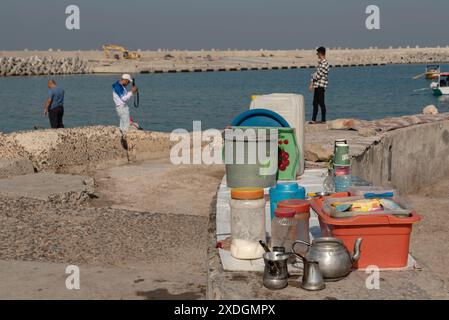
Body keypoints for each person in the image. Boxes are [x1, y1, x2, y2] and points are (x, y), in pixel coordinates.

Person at [309, 47, 329, 124]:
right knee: (315, 103)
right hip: (317, 85)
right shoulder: (320, 63)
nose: (317, 54)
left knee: (321, 103)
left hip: (321, 85)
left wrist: (311, 83)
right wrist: (312, 83)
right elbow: (316, 74)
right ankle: (313, 119)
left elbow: (318, 75)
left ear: (320, 53)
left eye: (317, 53)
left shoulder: (324, 63)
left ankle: (323, 120)